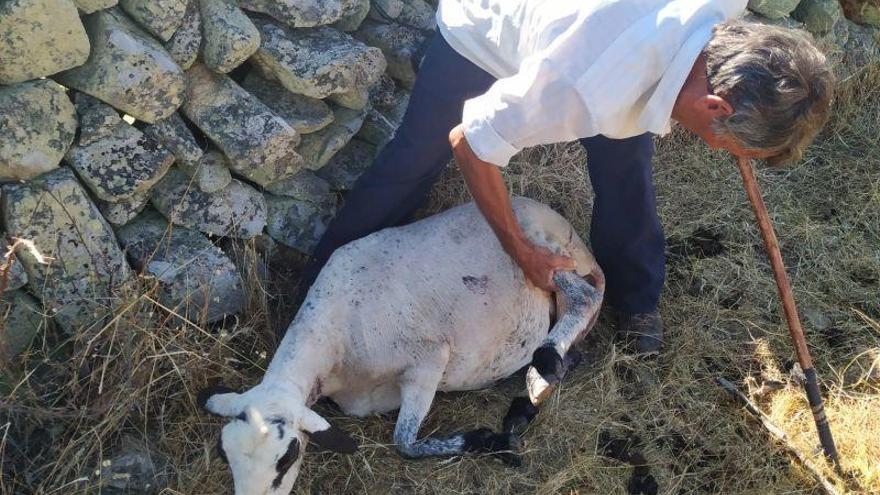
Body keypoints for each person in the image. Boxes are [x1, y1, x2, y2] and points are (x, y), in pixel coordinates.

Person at [301, 0, 834, 355]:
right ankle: (316, 295)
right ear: (716, 104)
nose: (724, 152)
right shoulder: (583, 86)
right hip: (489, 23)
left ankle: (635, 301)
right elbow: (471, 141)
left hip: (603, 28)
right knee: (415, 157)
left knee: (626, 166)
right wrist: (522, 251)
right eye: (729, 144)